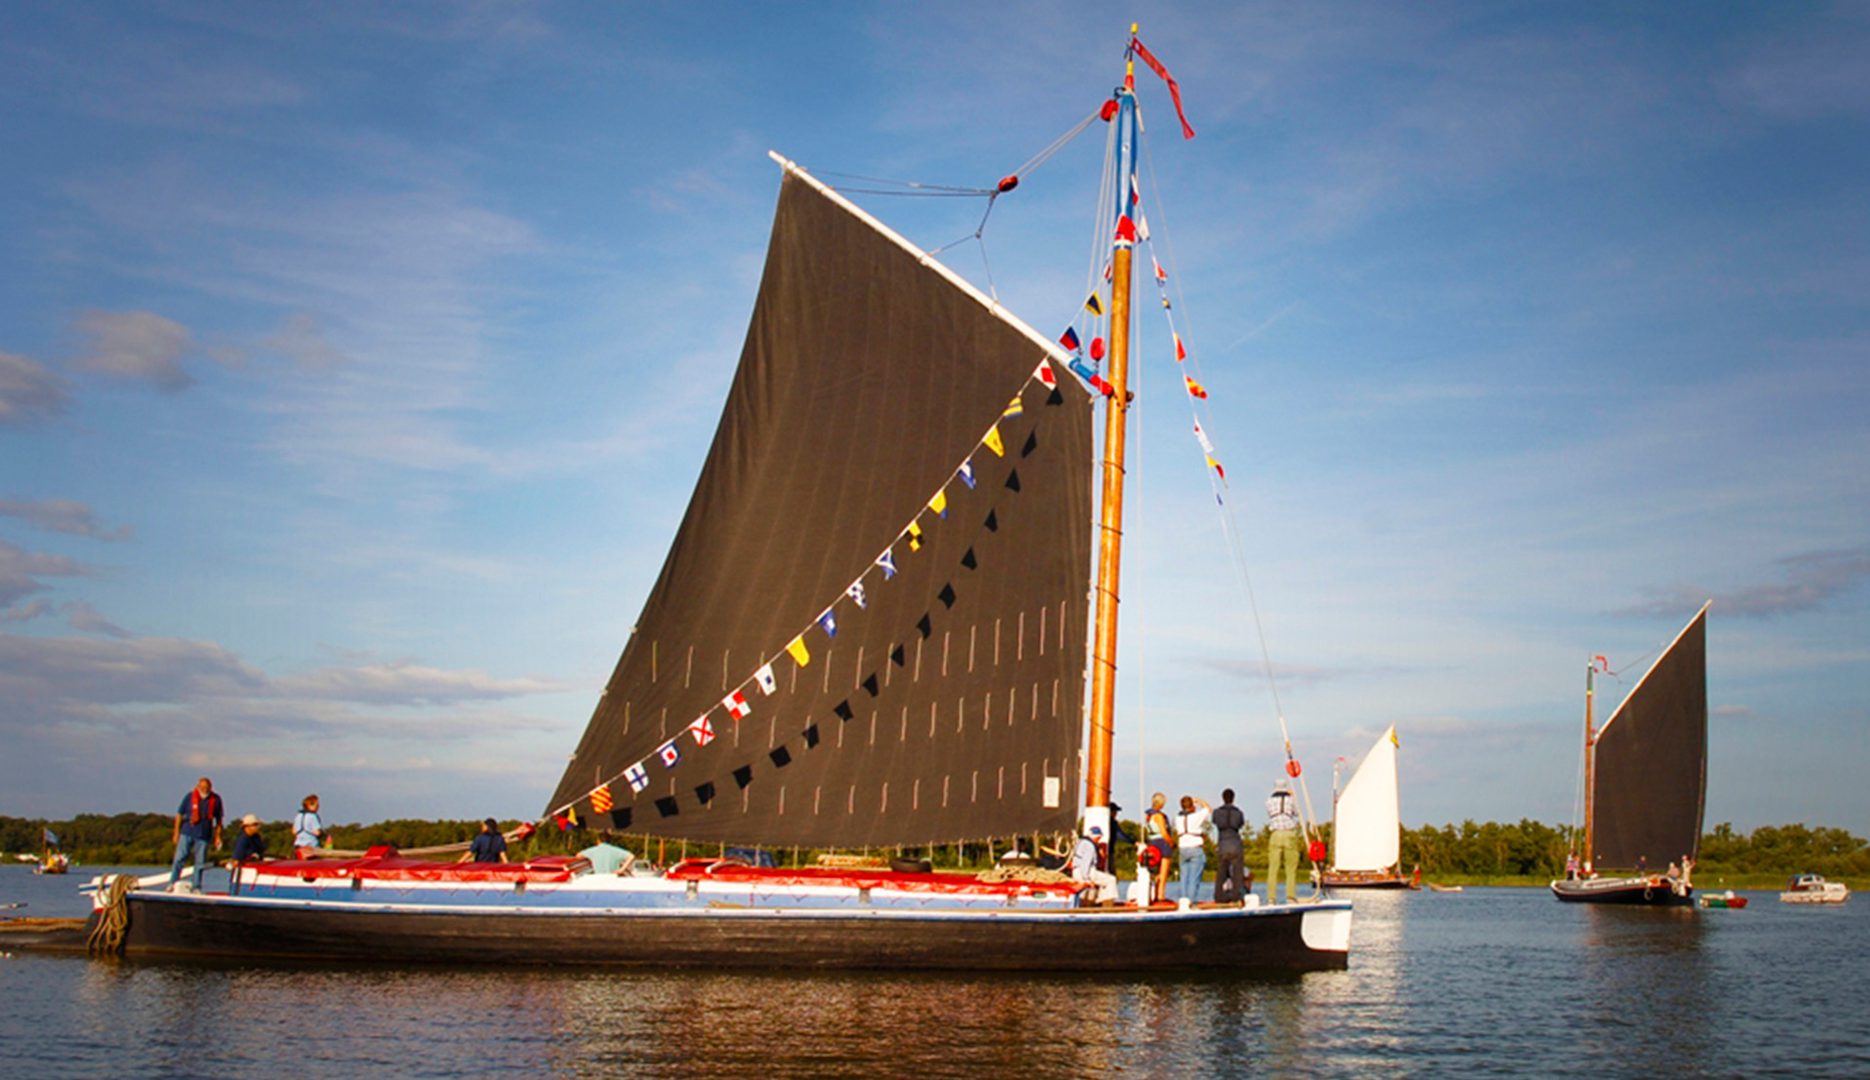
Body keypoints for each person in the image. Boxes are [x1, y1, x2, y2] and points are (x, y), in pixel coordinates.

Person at [169, 777, 224, 891]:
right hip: (187, 832)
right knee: (179, 858)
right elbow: (179, 815)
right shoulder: (189, 797)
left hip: (203, 835)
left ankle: (196, 886)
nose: (204, 789)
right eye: (202, 787)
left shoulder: (216, 799)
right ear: (198, 786)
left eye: (207, 787)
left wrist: (217, 836)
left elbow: (219, 820)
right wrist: (176, 833)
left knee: (200, 862)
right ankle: (172, 883)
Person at [1265, 779, 1301, 905]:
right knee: (1290, 868)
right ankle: (1290, 897)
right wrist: (1293, 796)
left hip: (1275, 834)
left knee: (1273, 868)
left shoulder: (1269, 801)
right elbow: (1297, 813)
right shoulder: (1291, 800)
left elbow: (1270, 814)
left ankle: (1271, 898)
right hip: (1289, 833)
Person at [1210, 788, 1247, 904]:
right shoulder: (1238, 812)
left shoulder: (1217, 812)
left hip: (1223, 844)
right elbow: (1240, 824)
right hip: (1235, 843)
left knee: (1221, 872)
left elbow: (1214, 822)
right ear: (1233, 798)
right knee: (1237, 873)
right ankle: (1236, 896)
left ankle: (1219, 896)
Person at [1174, 794, 1212, 904]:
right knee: (1194, 878)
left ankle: (1183, 901)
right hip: (1195, 848)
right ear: (1192, 806)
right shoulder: (1196, 817)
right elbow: (1208, 809)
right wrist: (1199, 800)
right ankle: (1191, 902)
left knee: (1184, 878)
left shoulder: (1178, 818)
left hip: (1182, 848)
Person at [1070, 824, 1118, 904]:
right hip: (1085, 871)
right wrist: (1087, 879)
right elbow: (1086, 863)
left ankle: (1088, 904)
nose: (1098, 840)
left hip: (1076, 871)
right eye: (1099, 838)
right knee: (1111, 880)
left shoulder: (1081, 842)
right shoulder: (1090, 846)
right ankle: (1104, 903)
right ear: (1096, 836)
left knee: (1088, 891)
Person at [1143, 793, 1174, 903]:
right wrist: (1171, 842)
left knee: (1155, 871)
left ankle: (1154, 894)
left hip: (1152, 842)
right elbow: (1164, 832)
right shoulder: (1159, 816)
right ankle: (1160, 895)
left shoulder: (1148, 816)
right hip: (1162, 843)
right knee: (1163, 872)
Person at [293, 794, 328, 859]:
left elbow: (294, 831)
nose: (318, 807)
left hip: (298, 846)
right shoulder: (313, 816)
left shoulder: (298, 816)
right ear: (310, 805)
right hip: (311, 847)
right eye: (316, 805)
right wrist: (323, 834)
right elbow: (317, 832)